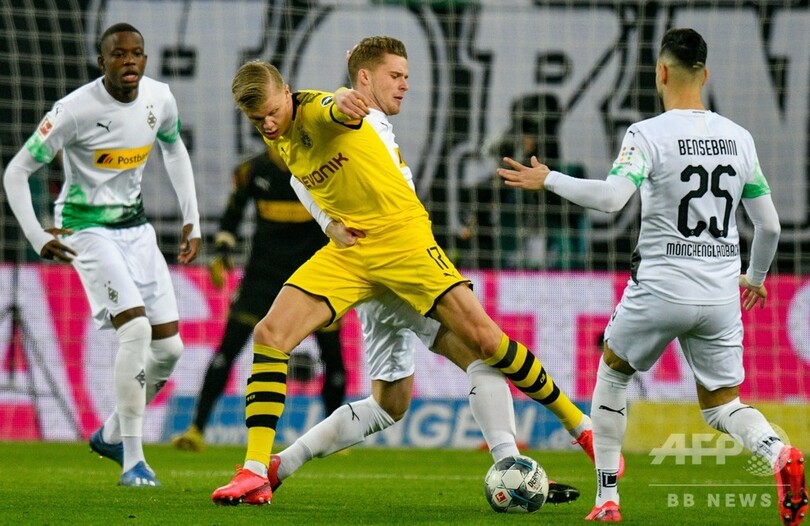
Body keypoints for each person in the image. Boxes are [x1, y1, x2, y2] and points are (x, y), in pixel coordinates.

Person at [211, 36, 592, 506]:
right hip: (358, 256)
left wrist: (345, 99)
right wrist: (329, 223)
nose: (268, 124)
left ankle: (567, 433)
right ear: (365, 76)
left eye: (272, 112)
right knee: (280, 338)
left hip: (401, 248)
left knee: (471, 353)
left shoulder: (333, 110)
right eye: (396, 76)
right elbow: (303, 174)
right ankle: (256, 470)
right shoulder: (294, 131)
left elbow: (334, 109)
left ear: (288, 93)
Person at [497, 28, 806, 525]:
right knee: (722, 405)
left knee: (613, 372)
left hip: (661, 287)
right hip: (720, 292)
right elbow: (768, 225)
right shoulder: (739, 138)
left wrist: (548, 178)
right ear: (705, 74)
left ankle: (607, 498)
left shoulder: (647, 134)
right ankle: (779, 452)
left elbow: (611, 198)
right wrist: (755, 277)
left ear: (661, 72)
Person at [3, 23, 201, 487]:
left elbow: (174, 150)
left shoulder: (159, 98)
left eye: (137, 53)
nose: (130, 60)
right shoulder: (73, 110)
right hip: (85, 229)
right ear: (102, 62)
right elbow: (16, 171)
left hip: (136, 229)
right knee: (135, 329)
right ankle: (134, 460)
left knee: (169, 350)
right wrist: (36, 234)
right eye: (119, 54)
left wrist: (192, 219)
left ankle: (111, 433)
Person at [171, 150, 345, 452]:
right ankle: (196, 428)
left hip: (314, 278)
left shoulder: (322, 167)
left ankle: (335, 436)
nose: (270, 131)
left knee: (333, 358)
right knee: (227, 351)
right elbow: (232, 217)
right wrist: (222, 252)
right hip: (262, 279)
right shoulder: (252, 170)